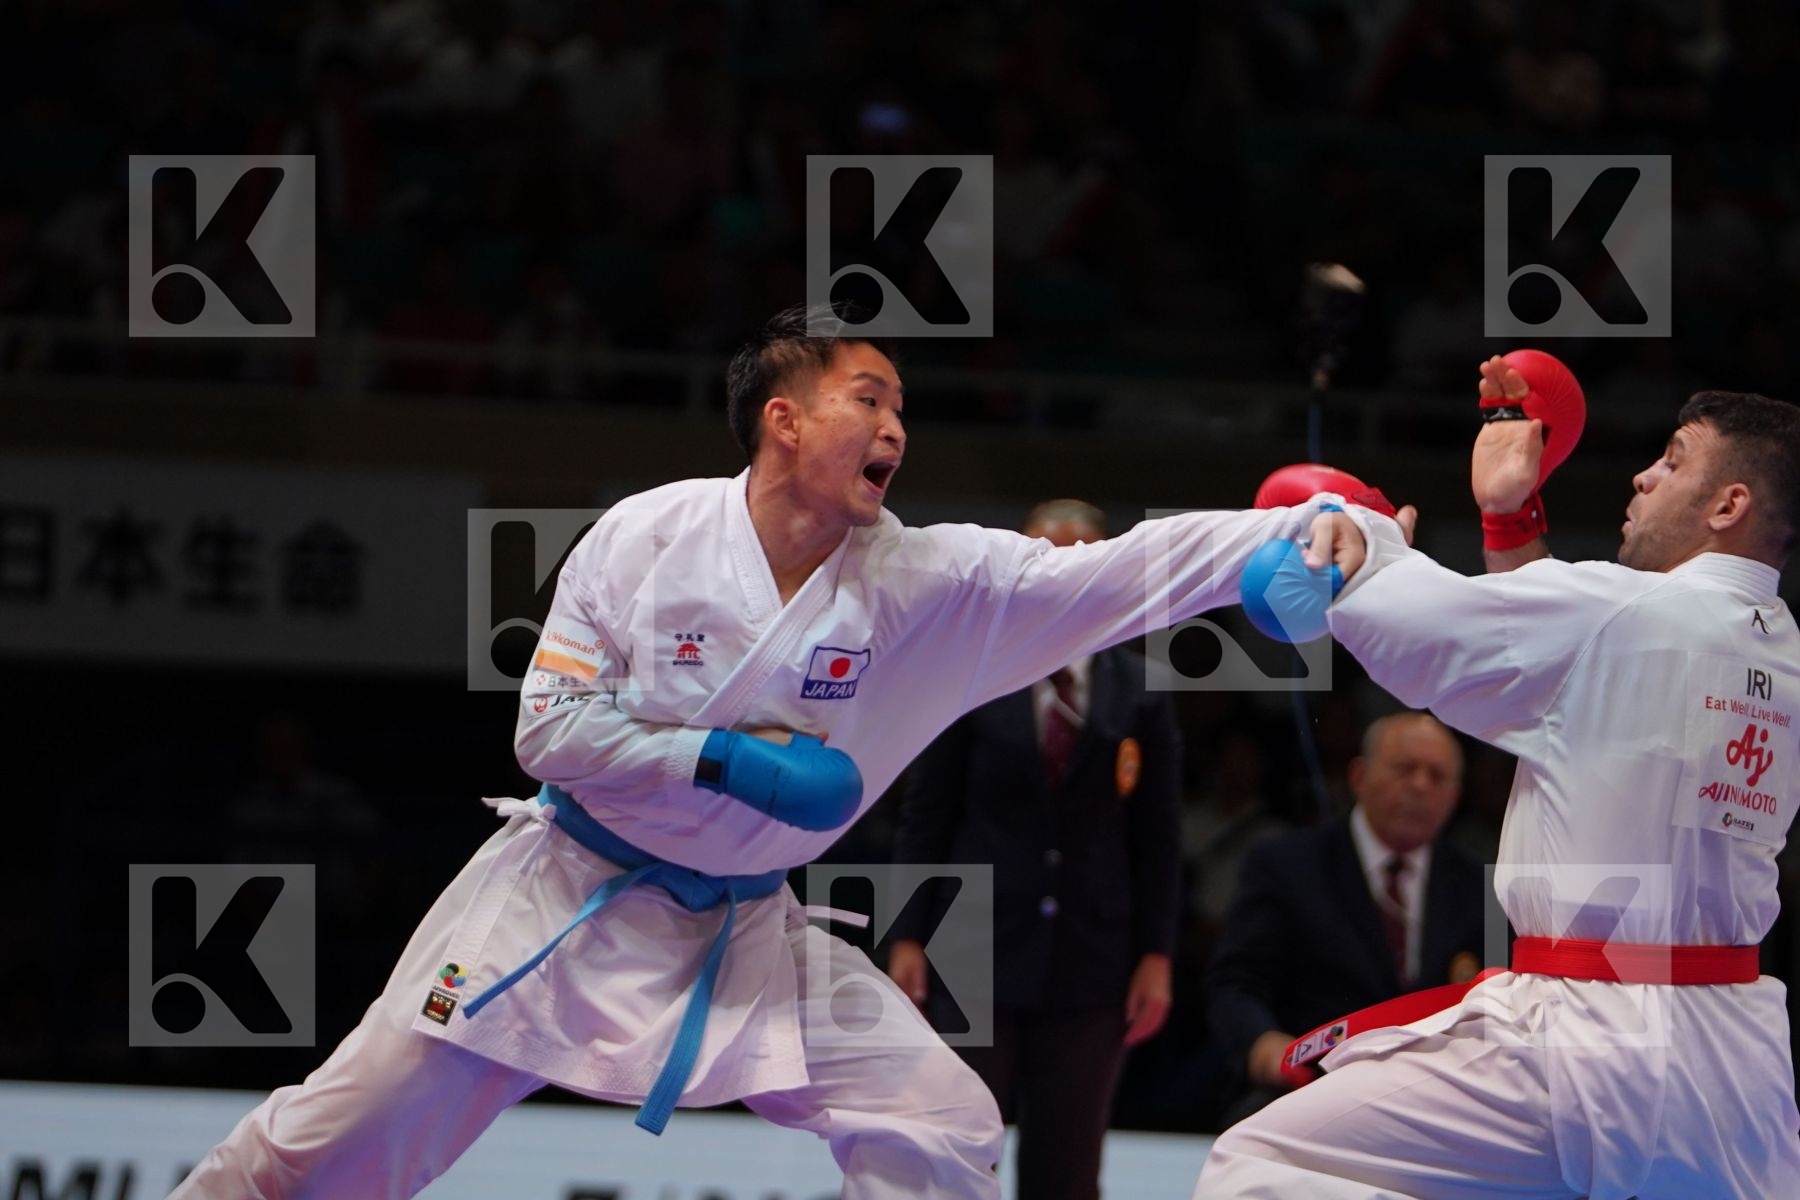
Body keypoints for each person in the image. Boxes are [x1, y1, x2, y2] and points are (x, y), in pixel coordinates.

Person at [171, 304, 1342, 1200]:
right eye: (868, 397)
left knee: (940, 1116)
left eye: (902, 409)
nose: (895, 426)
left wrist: (1282, 535)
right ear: (783, 418)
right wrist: (724, 760)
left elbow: (1109, 573)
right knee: (331, 1139)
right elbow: (547, 730)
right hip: (562, 905)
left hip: (745, 929)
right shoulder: (648, 535)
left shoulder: (924, 582)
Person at [1196, 365, 1800, 1197]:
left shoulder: (1624, 612)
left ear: (1727, 505)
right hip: (1740, 1067)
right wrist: (1509, 513)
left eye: (1672, 460)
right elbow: (1556, 676)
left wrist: (1362, 535)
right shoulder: (1780, 651)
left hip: (1584, 1040)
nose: (1642, 475)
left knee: (1262, 1162)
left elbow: (1421, 631)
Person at [887, 498, 1182, 1200]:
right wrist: (906, 936)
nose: (1061, 578)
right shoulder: (970, 672)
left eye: (1081, 561)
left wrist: (1158, 955)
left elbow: (1159, 836)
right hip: (970, 944)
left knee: (1068, 1164)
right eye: (1045, 561)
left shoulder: (1138, 691)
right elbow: (926, 812)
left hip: (1094, 954)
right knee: (956, 1145)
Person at [1206, 712, 1484, 1125]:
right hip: (1308, 1092)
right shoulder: (1286, 865)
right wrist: (1265, 1047)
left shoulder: (1480, 885)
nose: (1421, 785)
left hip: (1435, 1107)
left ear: (1455, 797)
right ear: (1359, 776)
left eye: (1437, 776)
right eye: (1405, 769)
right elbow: (1236, 983)